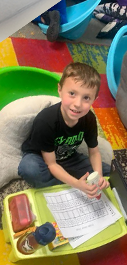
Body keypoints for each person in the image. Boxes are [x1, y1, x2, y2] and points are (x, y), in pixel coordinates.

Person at [18, 62, 110, 198]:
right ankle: (67, 188)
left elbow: (94, 152)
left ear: (94, 100)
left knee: (108, 171)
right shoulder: (46, 121)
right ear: (60, 90)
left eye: (86, 98)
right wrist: (77, 184)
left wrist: (99, 176)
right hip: (41, 157)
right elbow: (51, 164)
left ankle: (64, 183)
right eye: (72, 93)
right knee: (29, 168)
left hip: (68, 157)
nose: (78, 104)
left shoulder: (89, 118)